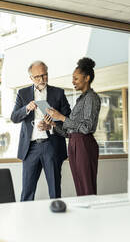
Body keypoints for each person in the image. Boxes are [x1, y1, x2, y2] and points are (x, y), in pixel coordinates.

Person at [11, 60, 71, 201]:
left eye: (45, 75)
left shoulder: (58, 93)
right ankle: (25, 220)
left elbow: (68, 121)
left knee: (55, 192)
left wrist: (51, 126)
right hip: (30, 148)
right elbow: (14, 117)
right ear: (31, 78)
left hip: (52, 145)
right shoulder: (22, 93)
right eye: (38, 77)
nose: (42, 79)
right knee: (27, 192)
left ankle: (57, 220)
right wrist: (26, 108)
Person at [44, 57, 101, 196]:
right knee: (80, 186)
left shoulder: (91, 98)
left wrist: (62, 117)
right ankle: (85, 215)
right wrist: (52, 125)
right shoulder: (81, 99)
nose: (73, 81)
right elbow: (70, 132)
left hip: (84, 144)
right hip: (75, 143)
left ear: (87, 78)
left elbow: (87, 127)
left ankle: (91, 215)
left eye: (76, 78)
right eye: (72, 78)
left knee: (86, 186)